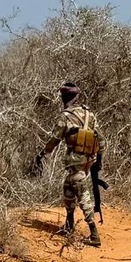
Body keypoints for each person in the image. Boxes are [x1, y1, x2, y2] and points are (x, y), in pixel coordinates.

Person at [32, 81, 102, 246]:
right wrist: (99, 160)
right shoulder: (89, 114)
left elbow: (55, 139)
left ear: (64, 97)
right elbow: (100, 138)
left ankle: (94, 234)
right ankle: (69, 224)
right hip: (88, 159)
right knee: (68, 188)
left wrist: (42, 154)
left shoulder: (65, 116)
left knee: (82, 193)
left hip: (76, 160)